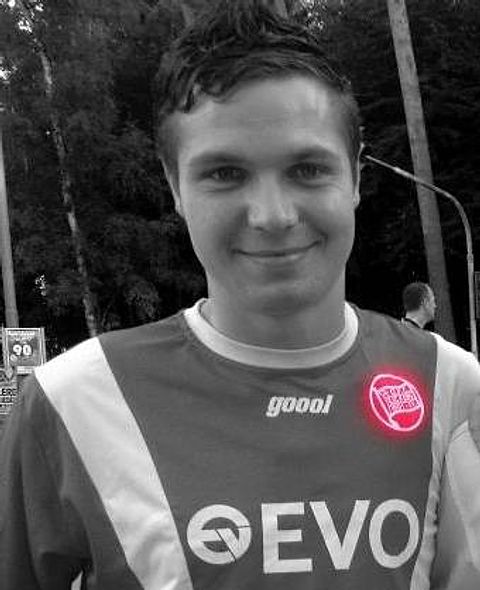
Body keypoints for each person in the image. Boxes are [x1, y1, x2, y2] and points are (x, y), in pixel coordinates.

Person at [1, 1, 479, 589]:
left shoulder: (454, 387)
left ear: (356, 176)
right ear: (175, 186)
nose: (272, 216)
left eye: (307, 168)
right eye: (225, 173)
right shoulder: (70, 404)